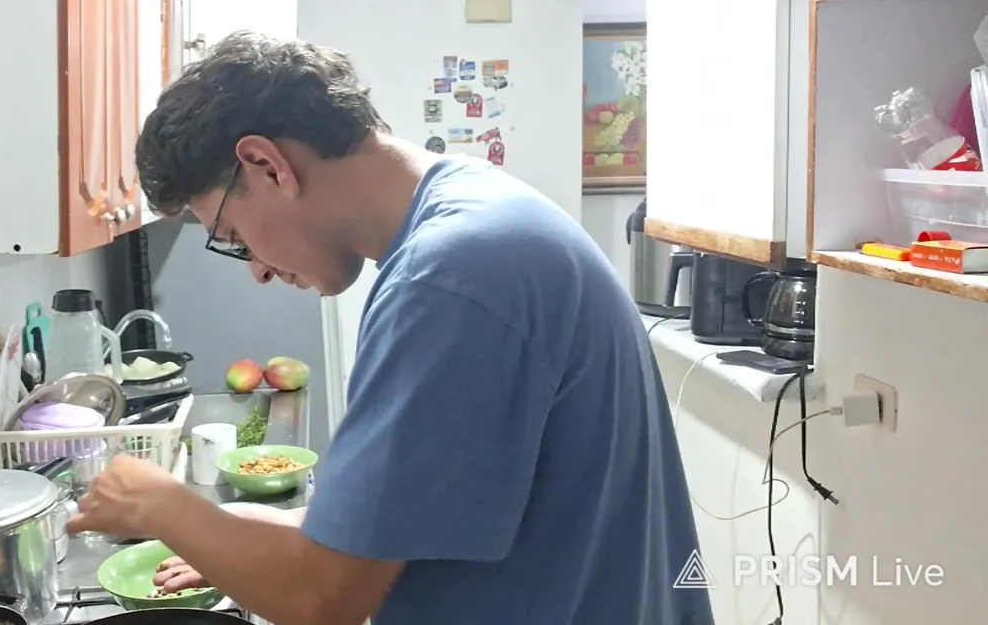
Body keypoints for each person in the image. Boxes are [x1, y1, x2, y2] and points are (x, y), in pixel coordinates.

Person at [66, 31, 714, 625]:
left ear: (267, 165)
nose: (257, 270)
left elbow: (324, 601)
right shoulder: (479, 215)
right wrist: (253, 532)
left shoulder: (448, 278)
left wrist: (162, 504)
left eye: (233, 236)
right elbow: (452, 500)